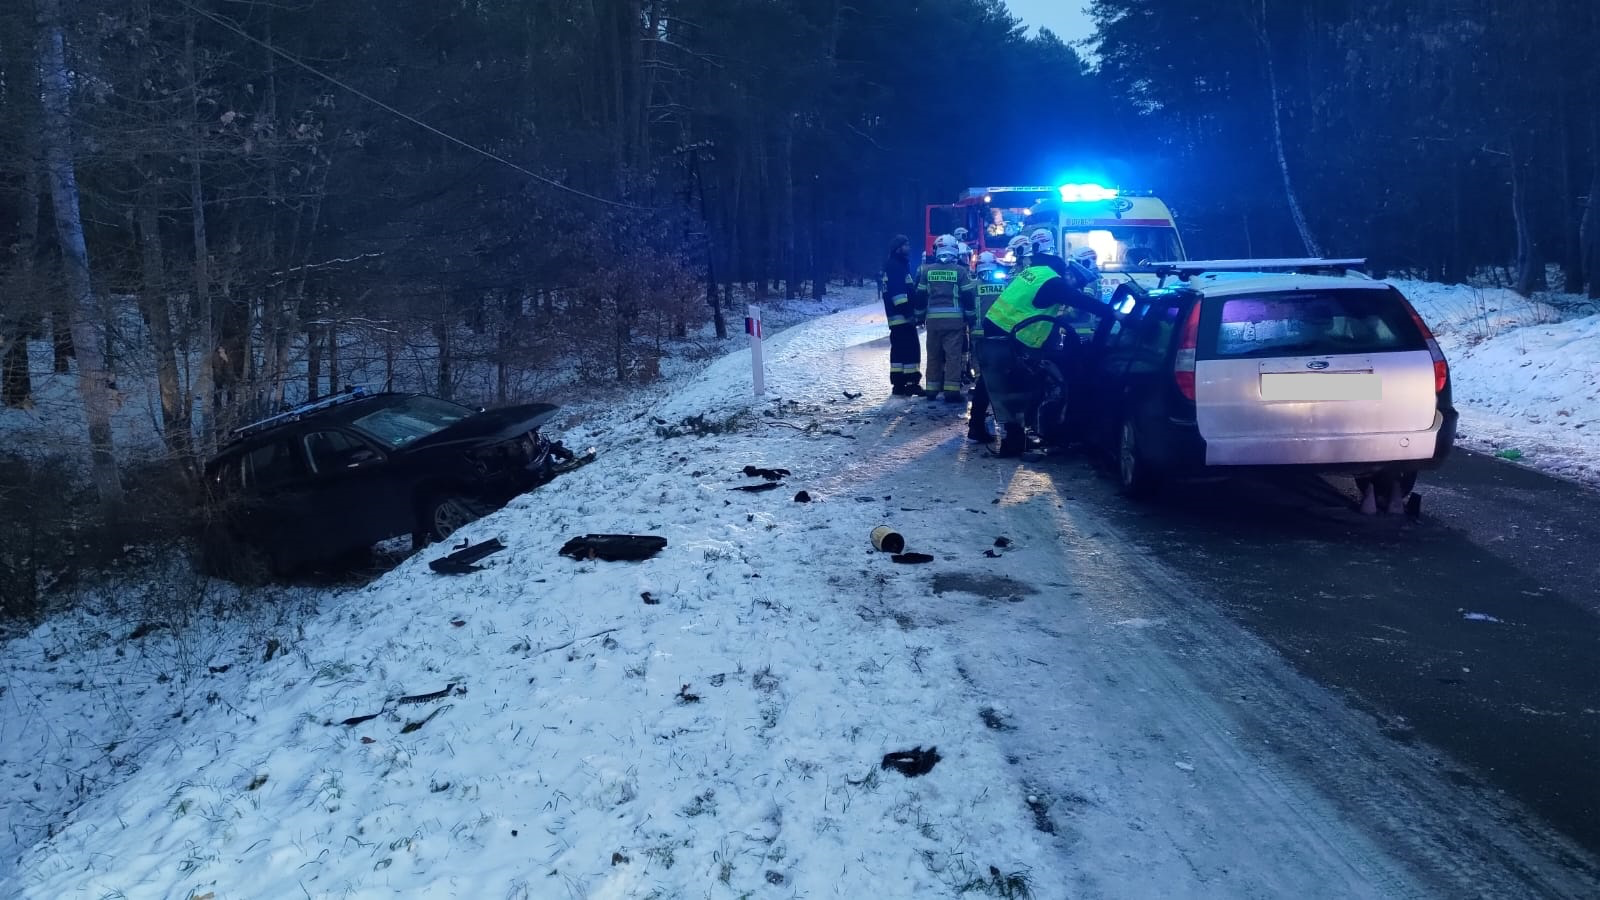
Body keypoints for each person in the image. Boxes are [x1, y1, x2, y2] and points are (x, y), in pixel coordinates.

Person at [976, 227, 1112, 456]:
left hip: (998, 324)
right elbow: (1080, 301)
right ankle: (1012, 439)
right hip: (1010, 332)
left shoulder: (1038, 271)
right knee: (1014, 384)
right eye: (1076, 282)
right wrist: (1113, 313)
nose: (1075, 286)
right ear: (1070, 272)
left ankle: (983, 428)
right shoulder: (1054, 282)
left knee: (992, 379)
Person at [915, 234, 975, 403]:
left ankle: (931, 390)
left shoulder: (927, 271)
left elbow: (920, 296)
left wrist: (919, 316)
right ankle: (951, 391)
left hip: (933, 322)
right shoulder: (960, 271)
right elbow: (968, 297)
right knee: (953, 357)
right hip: (954, 322)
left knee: (933, 355)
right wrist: (971, 318)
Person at [966, 252, 1008, 441]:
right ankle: (1005, 421)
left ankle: (978, 423)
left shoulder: (973, 285)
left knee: (982, 376)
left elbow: (967, 308)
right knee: (998, 378)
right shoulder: (1004, 285)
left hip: (979, 335)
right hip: (1001, 337)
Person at [880, 235, 923, 395]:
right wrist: (908, 313)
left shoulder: (893, 265)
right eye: (906, 245)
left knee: (898, 351)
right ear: (898, 248)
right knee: (911, 350)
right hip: (902, 317)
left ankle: (898, 384)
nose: (909, 248)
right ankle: (911, 382)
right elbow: (899, 295)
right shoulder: (897, 266)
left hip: (896, 318)